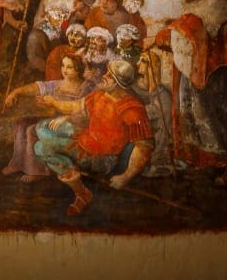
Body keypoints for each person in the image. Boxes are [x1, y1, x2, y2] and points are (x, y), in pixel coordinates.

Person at [151, 0, 227, 187]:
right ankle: (203, 160)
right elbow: (188, 30)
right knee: (192, 113)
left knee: (209, 115)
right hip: (202, 69)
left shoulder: (215, 6)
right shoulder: (215, 6)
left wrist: (162, 36)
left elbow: (188, 32)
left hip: (208, 72)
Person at [33, 60, 154, 216]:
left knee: (41, 148)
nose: (104, 76)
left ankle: (82, 193)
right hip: (86, 138)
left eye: (109, 76)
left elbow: (144, 147)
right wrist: (55, 104)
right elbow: (77, 106)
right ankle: (68, 164)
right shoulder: (102, 94)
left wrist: (126, 176)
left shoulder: (131, 108)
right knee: (41, 127)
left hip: (101, 157)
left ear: (119, 83)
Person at [1, 53, 92, 183]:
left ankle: (37, 171)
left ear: (78, 70)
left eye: (69, 67)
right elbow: (37, 87)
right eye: (63, 66)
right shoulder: (57, 84)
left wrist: (66, 116)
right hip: (53, 122)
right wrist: (17, 92)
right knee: (22, 123)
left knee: (31, 129)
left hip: (72, 125)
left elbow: (87, 113)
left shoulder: (85, 88)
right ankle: (18, 162)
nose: (64, 70)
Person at [25, 1, 69, 78]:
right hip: (38, 73)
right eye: (58, 15)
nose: (61, 19)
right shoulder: (37, 33)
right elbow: (33, 58)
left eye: (63, 16)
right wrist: (52, 70)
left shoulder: (60, 32)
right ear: (48, 16)